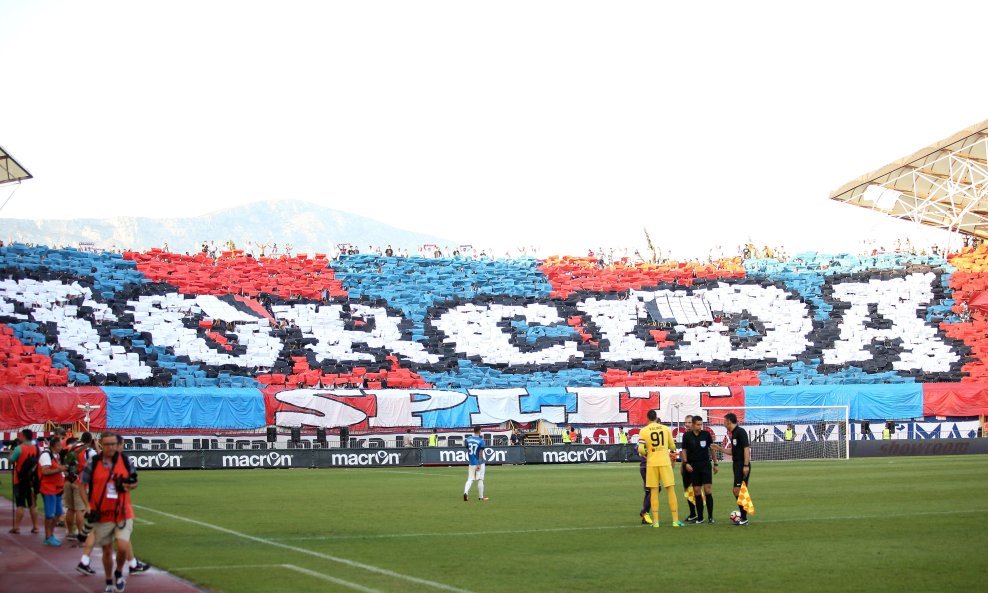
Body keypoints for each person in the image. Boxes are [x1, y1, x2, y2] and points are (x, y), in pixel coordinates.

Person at [81, 432, 139, 593]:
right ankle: (108, 581)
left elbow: (135, 481)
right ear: (101, 444)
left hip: (122, 511)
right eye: (107, 444)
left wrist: (128, 485)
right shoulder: (94, 462)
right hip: (102, 513)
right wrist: (87, 505)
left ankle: (119, 573)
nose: (111, 447)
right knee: (107, 550)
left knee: (122, 546)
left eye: (113, 444)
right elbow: (82, 484)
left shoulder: (125, 460)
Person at [637, 410, 684, 528]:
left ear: (647, 418)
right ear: (656, 417)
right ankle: (675, 520)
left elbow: (641, 449)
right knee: (670, 490)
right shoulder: (665, 429)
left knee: (653, 491)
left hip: (652, 463)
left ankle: (656, 521)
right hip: (664, 462)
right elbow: (672, 446)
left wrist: (649, 454)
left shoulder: (643, 431)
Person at [712, 413, 751, 526]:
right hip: (737, 465)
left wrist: (746, 465)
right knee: (737, 491)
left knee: (738, 490)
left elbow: (746, 449)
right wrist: (719, 448)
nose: (723, 423)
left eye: (724, 421)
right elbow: (733, 451)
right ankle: (744, 517)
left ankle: (744, 518)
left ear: (728, 421)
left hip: (742, 465)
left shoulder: (741, 432)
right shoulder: (733, 434)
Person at [681, 416, 718, 524]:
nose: (700, 426)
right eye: (698, 424)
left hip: (705, 465)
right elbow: (684, 450)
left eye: (701, 424)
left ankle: (710, 517)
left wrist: (715, 463)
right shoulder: (687, 436)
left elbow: (712, 449)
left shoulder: (706, 434)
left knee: (708, 490)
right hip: (693, 466)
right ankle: (700, 517)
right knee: (697, 491)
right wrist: (686, 463)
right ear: (693, 424)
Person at [64, 432, 98, 541]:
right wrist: (96, 446)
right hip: (80, 482)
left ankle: (69, 531)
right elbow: (100, 460)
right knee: (80, 509)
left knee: (70, 508)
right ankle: (79, 532)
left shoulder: (72, 447)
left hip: (68, 480)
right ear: (90, 440)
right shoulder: (89, 451)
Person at [9, 428, 40, 535]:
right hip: (32, 481)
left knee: (20, 504)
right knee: (32, 504)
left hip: (20, 479)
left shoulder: (19, 448)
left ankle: (17, 527)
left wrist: (11, 453)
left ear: (23, 436)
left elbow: (11, 461)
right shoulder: (36, 448)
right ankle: (36, 526)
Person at [38, 436, 67, 545]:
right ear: (54, 445)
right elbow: (45, 472)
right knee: (50, 514)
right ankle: (48, 536)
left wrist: (63, 470)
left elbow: (56, 470)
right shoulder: (46, 455)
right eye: (59, 445)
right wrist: (59, 469)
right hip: (48, 488)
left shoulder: (56, 455)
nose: (61, 447)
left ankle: (51, 534)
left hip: (57, 489)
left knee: (58, 512)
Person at [463, 426, 489, 501]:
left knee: (470, 479)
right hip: (479, 462)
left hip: (471, 462)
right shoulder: (481, 441)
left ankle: (465, 492)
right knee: (480, 479)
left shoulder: (468, 439)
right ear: (480, 431)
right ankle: (481, 497)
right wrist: (479, 464)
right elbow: (480, 453)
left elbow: (468, 450)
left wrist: (471, 459)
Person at [679, 415, 697, 521]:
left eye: (689, 422)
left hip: (697, 466)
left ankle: (699, 514)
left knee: (697, 490)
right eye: (686, 422)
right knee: (688, 490)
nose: (687, 424)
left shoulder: (699, 435)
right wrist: (683, 465)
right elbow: (684, 452)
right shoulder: (685, 435)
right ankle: (692, 513)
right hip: (687, 465)